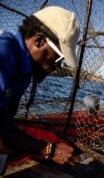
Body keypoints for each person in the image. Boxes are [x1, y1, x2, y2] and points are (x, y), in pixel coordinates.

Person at [0, 6, 80, 171]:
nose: (57, 66)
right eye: (58, 57)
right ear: (39, 40)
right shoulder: (4, 55)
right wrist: (47, 150)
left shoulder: (25, 69)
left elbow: (4, 124)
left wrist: (49, 146)